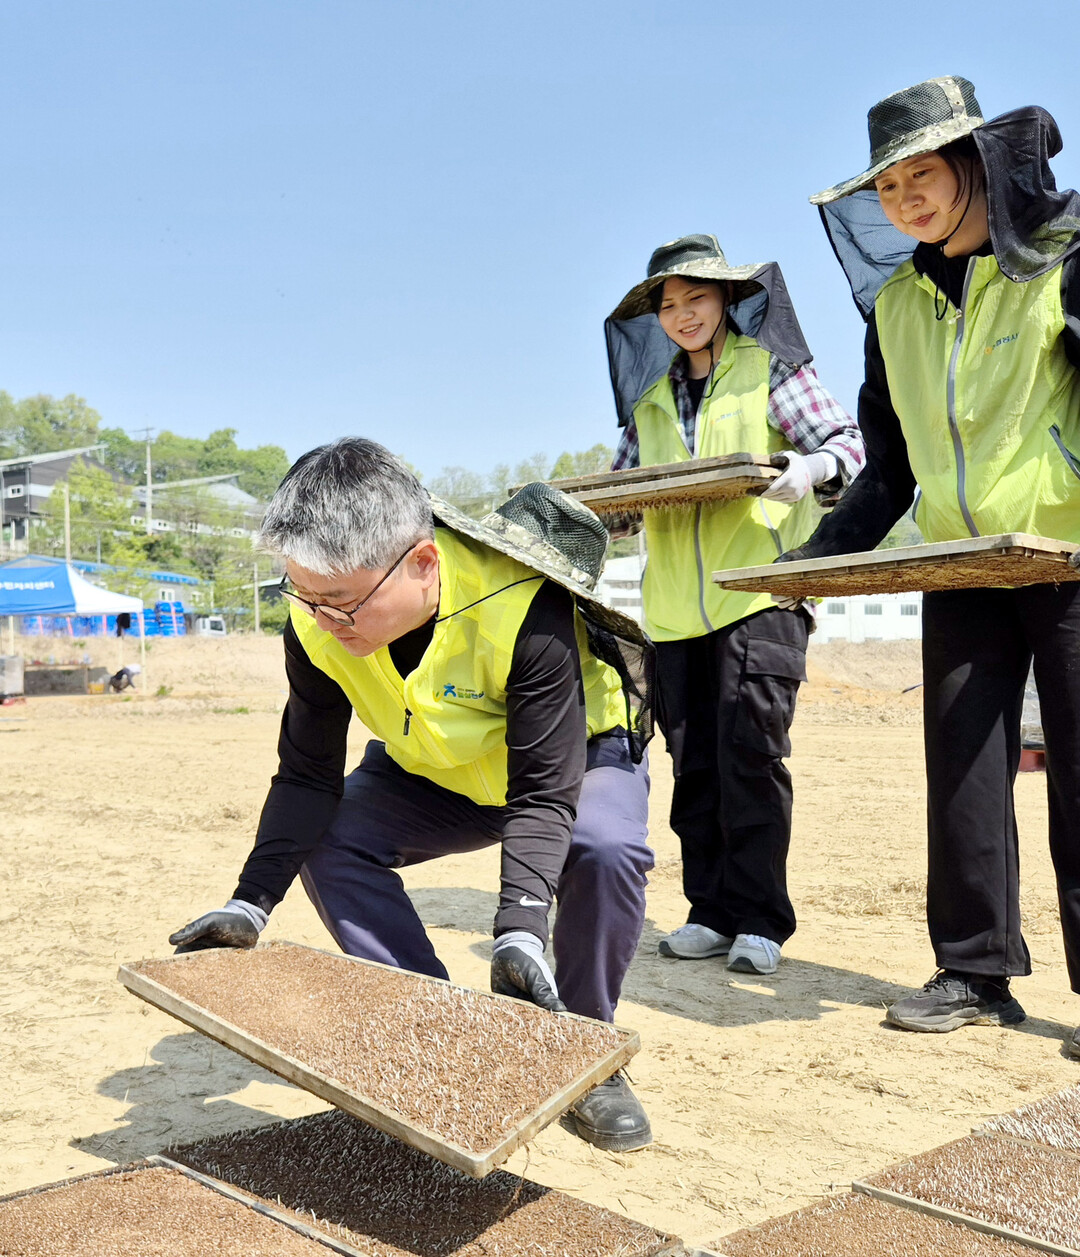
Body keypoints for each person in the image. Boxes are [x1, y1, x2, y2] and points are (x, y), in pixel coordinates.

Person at [169, 438, 658, 1149]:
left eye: (342, 603)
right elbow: (306, 775)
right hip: (436, 771)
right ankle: (438, 1032)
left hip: (570, 763)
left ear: (423, 563)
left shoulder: (524, 601)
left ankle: (584, 1055)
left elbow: (542, 794)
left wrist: (519, 929)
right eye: (305, 596)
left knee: (604, 846)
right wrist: (250, 901)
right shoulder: (314, 620)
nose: (322, 619)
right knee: (331, 838)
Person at [790, 75, 1080, 1056]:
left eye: (921, 175)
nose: (904, 199)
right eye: (886, 186)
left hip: (1067, 557)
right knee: (961, 771)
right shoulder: (897, 309)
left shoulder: (1063, 262)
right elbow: (890, 472)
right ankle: (973, 971)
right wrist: (812, 563)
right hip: (961, 567)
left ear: (975, 165)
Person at [605, 235, 863, 976]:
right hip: (673, 611)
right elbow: (623, 501)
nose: (683, 315)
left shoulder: (769, 368)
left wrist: (810, 467)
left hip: (760, 592)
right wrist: (588, 513)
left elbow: (849, 445)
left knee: (751, 755)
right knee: (693, 765)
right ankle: (710, 912)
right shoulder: (649, 401)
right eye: (669, 305)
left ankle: (760, 919)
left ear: (726, 300)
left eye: (697, 298)